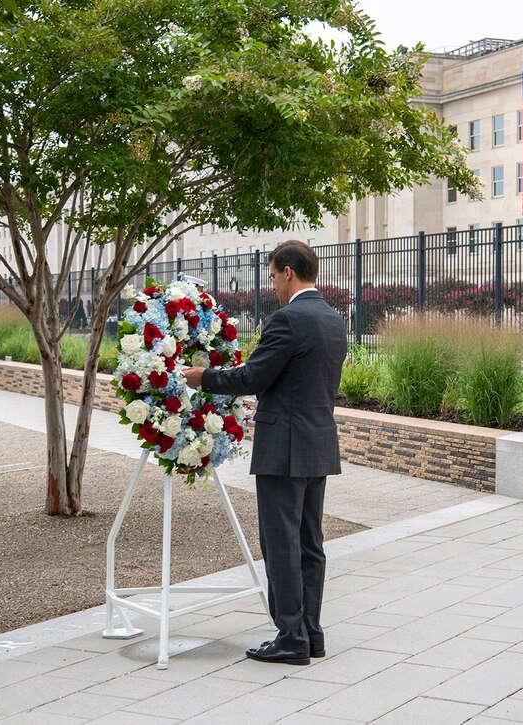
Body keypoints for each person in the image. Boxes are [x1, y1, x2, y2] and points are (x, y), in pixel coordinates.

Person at [182, 240, 347, 665]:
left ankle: (291, 637)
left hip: (284, 448)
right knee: (310, 543)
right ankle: (311, 634)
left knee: (281, 545)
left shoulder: (287, 320)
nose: (272, 284)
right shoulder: (334, 319)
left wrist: (204, 377)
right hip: (318, 443)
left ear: (288, 272)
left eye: (273, 275)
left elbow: (254, 377)